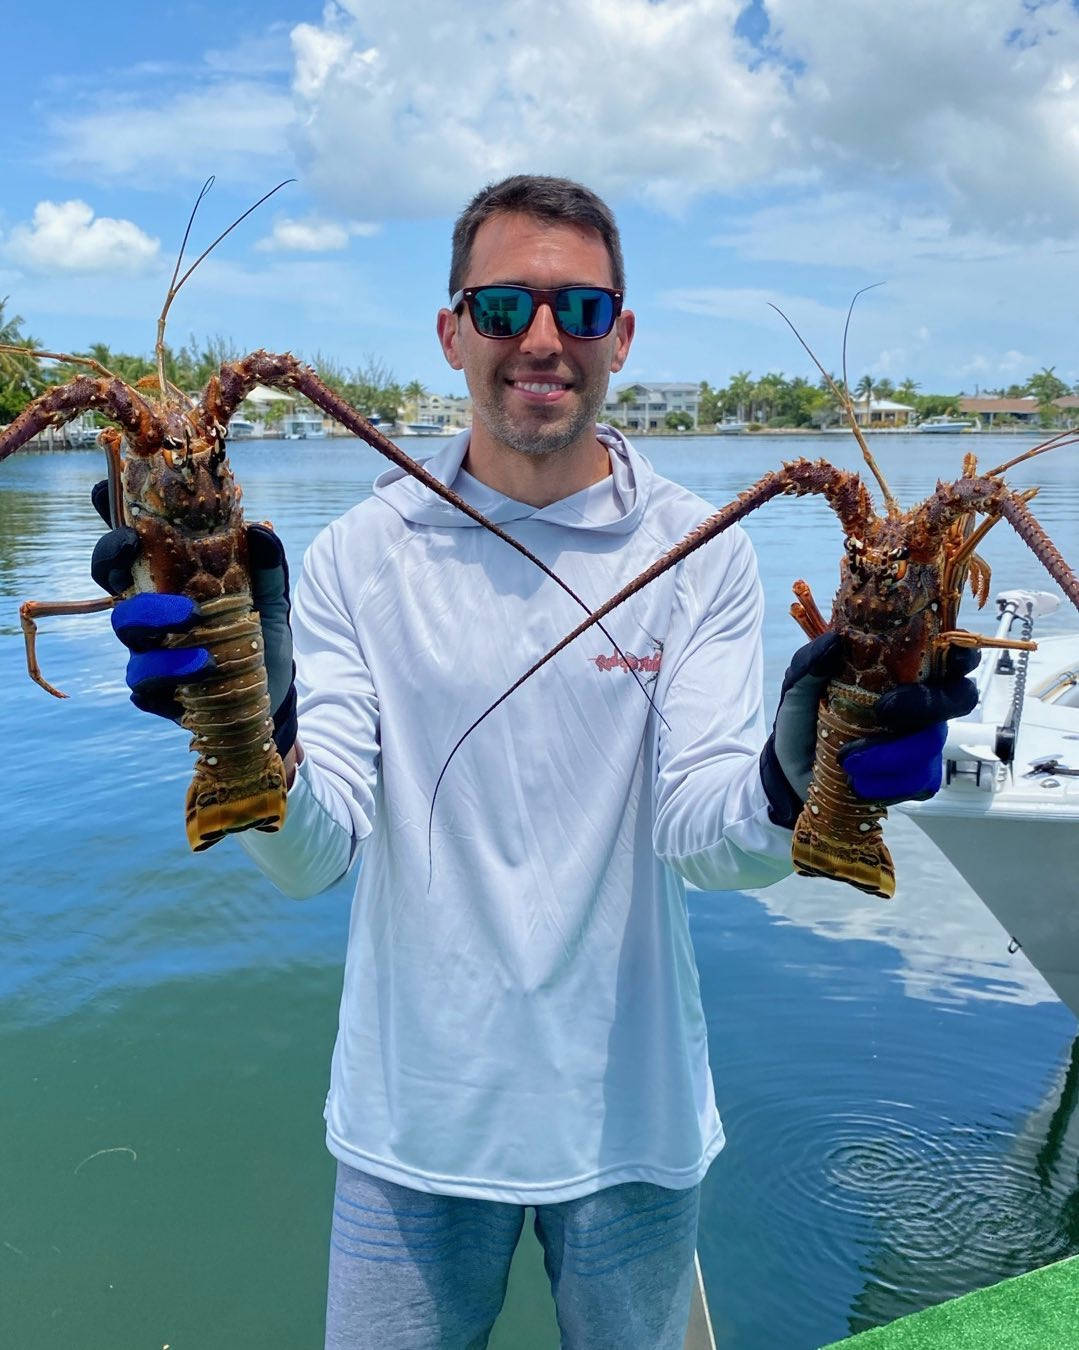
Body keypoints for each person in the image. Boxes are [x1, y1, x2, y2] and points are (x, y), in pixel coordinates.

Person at [91, 175, 976, 1350]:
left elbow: (707, 842)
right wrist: (252, 708)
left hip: (634, 1132)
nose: (542, 339)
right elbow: (315, 856)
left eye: (581, 308)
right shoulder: (362, 552)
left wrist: (797, 766)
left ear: (622, 334)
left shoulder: (697, 553)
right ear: (452, 330)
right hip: (409, 1130)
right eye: (503, 306)